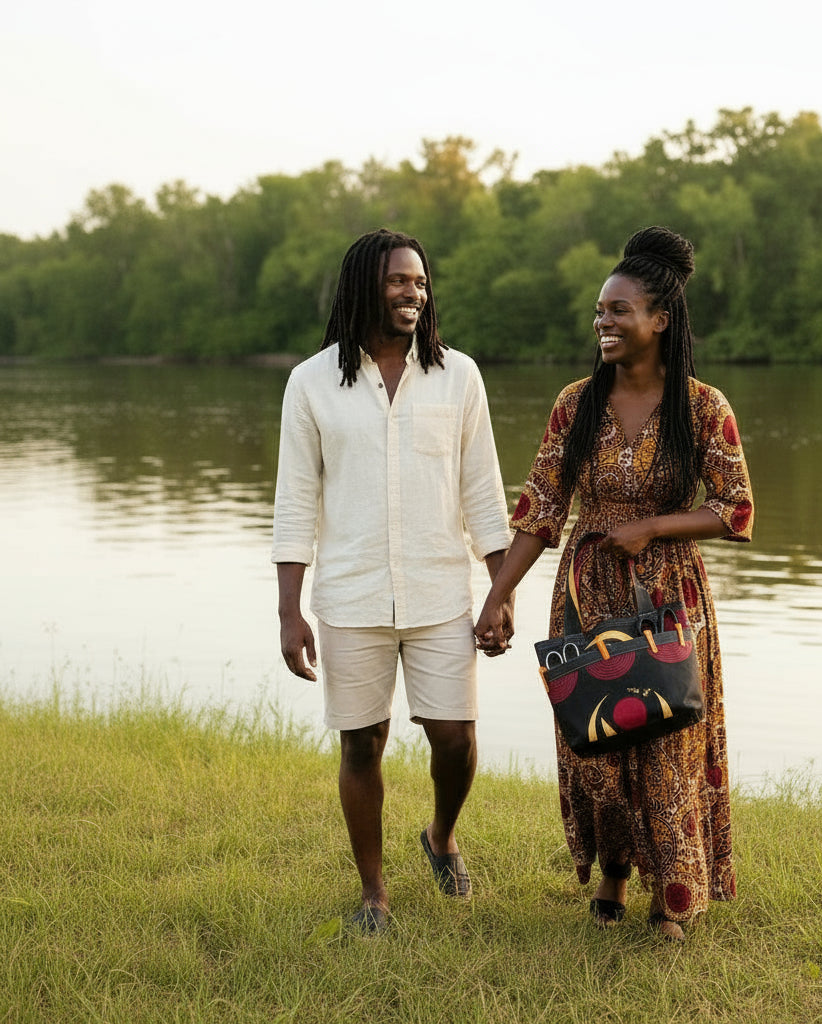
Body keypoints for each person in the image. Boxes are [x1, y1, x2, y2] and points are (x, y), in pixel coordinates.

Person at [474, 226, 753, 940]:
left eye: (619, 310)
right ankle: (613, 877)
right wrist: (500, 593)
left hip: (665, 599)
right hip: (586, 591)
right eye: (600, 310)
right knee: (595, 746)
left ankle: (673, 895)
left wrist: (654, 527)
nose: (604, 320)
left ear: (660, 319)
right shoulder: (576, 403)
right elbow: (539, 508)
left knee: (665, 744)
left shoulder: (703, 406)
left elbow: (735, 509)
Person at [272, 228, 513, 935]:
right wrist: (290, 611)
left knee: (456, 737)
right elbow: (294, 501)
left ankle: (440, 835)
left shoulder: (459, 376)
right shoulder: (311, 383)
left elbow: (484, 493)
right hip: (350, 595)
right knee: (361, 742)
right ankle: (374, 893)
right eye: (398, 281)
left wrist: (499, 594)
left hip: (442, 590)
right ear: (362, 287)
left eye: (420, 282)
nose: (414, 292)